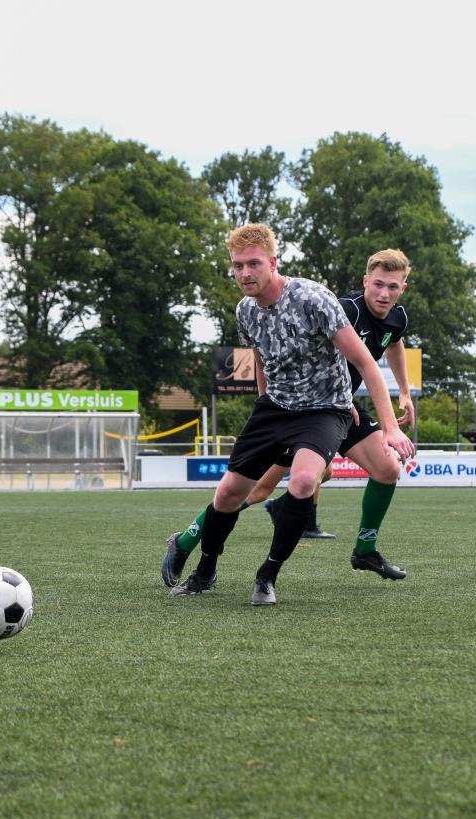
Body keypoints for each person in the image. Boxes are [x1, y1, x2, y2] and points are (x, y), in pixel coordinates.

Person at [166, 224, 415, 605]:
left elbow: (370, 360)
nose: (245, 273)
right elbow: (263, 359)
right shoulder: (247, 310)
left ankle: (272, 573)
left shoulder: (316, 298)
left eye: (253, 264)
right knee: (237, 490)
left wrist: (395, 416)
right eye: (237, 266)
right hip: (279, 409)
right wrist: (267, 411)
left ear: (272, 262)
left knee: (314, 480)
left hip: (328, 408)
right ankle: (195, 555)